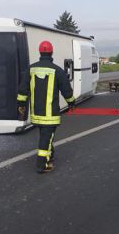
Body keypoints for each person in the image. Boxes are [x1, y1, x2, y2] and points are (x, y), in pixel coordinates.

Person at [17, 41, 76, 173]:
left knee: (46, 136)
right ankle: (42, 165)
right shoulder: (58, 71)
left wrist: (21, 106)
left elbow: (22, 90)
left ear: (40, 52)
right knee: (46, 138)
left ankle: (51, 156)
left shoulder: (31, 69)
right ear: (51, 52)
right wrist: (71, 102)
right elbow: (67, 91)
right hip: (50, 115)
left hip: (36, 113)